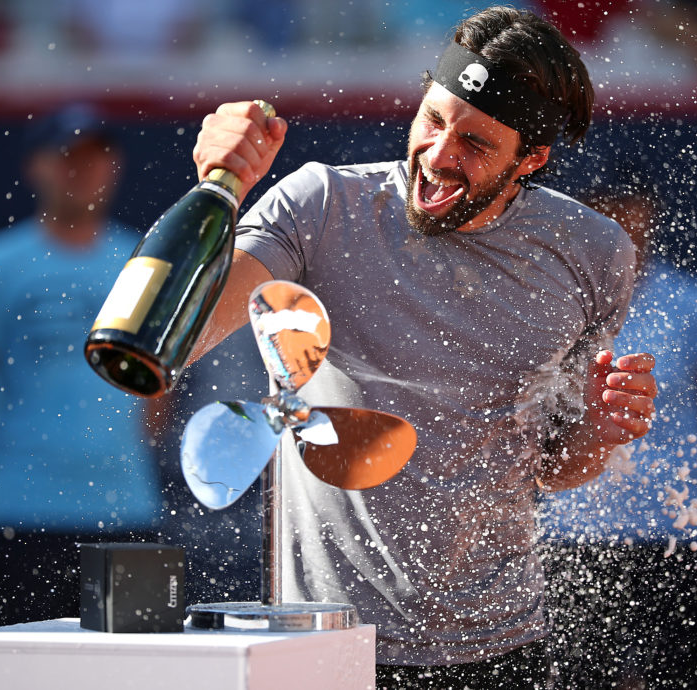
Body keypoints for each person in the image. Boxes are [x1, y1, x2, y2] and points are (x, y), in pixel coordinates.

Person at [187, 6, 658, 687]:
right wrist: (216, 191)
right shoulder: (319, 205)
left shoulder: (595, 254)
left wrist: (601, 432)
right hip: (324, 644)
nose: (438, 156)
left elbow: (549, 464)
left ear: (531, 160)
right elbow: (185, 332)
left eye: (475, 143)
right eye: (432, 120)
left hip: (503, 647)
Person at [0, 103, 163, 629]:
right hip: (21, 515)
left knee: (131, 676)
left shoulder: (140, 260)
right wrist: (13, 473)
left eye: (96, 157)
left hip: (126, 512)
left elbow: (158, 387)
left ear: (115, 167)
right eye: (67, 156)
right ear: (36, 166)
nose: (82, 169)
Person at [538, 166, 697, 688]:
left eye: (630, 205)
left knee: (676, 678)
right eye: (603, 204)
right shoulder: (548, 300)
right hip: (576, 536)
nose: (618, 219)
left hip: (676, 533)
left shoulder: (693, 303)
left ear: (649, 215)